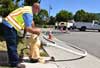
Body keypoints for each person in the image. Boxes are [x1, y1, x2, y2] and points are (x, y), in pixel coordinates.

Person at [2, 2, 41, 67]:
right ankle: (15, 63)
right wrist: (37, 31)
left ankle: (13, 59)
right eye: (37, 11)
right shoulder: (29, 13)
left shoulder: (27, 9)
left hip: (9, 25)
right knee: (12, 45)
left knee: (14, 43)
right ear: (36, 8)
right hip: (9, 26)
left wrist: (24, 35)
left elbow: (30, 24)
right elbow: (29, 28)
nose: (36, 13)